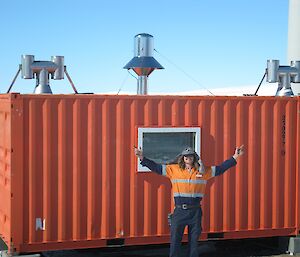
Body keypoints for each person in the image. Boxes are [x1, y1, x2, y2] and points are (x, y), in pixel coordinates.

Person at [134, 145, 245, 257]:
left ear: (194, 158)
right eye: (186, 156)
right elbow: (156, 167)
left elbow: (221, 168)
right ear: (182, 158)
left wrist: (235, 156)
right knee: (175, 242)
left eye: (190, 156)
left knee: (194, 244)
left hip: (195, 212)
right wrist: (142, 158)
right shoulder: (173, 170)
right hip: (179, 212)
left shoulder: (203, 171)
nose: (188, 158)